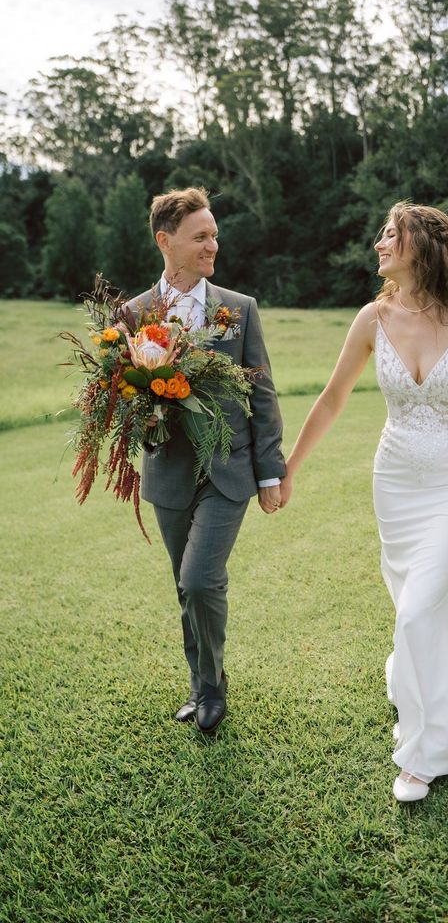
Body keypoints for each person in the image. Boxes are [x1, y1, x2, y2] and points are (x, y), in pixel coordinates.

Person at [279, 202, 448, 802]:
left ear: (420, 248)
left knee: (417, 607)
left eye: (389, 235)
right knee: (415, 600)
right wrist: (288, 468)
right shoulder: (371, 318)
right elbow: (330, 400)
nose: (378, 244)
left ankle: (428, 749)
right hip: (395, 482)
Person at [124, 187, 286, 735]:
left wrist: (270, 471)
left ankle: (212, 690)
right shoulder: (134, 314)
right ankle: (200, 682)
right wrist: (139, 414)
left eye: (214, 234)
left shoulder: (238, 310)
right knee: (182, 584)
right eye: (201, 236)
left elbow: (261, 394)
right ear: (165, 241)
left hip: (228, 470)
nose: (213, 244)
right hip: (168, 472)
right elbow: (122, 399)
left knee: (199, 580)